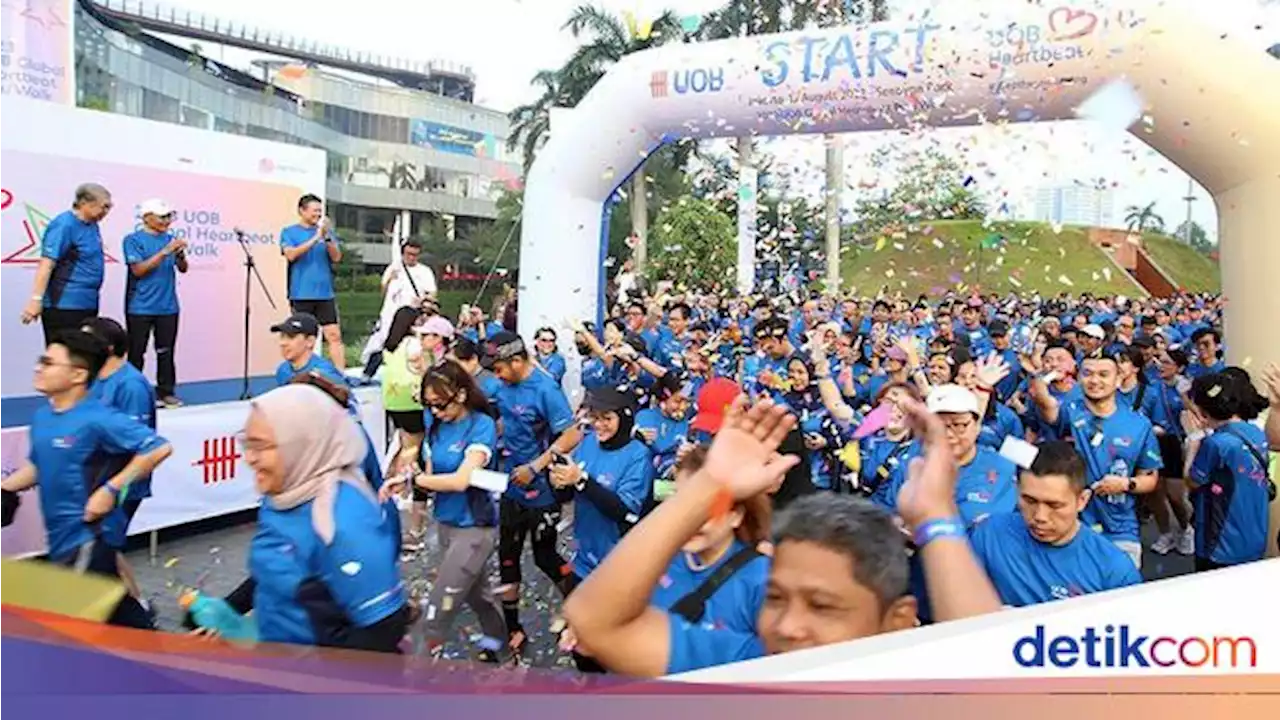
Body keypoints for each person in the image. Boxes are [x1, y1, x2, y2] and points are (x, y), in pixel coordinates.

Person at [563, 395, 1003, 677]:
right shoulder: (753, 666)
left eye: (823, 606)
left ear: (899, 622)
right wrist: (707, 486)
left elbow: (997, 672)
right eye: (774, 598)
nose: (788, 626)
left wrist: (937, 518)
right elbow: (595, 619)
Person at [0, 329, 171, 629]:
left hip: (88, 538)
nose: (38, 368)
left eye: (49, 363)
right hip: (61, 539)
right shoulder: (43, 417)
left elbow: (158, 447)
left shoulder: (98, 418)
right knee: (124, 615)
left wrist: (110, 489)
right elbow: (38, 467)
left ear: (78, 375)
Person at [240, 384, 409, 650]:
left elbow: (384, 630)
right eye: (247, 443)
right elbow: (283, 565)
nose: (249, 458)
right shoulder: (285, 494)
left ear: (302, 443)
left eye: (261, 446)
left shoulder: (343, 522)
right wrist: (228, 608)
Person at [379, 361, 507, 661]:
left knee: (438, 607)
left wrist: (418, 480)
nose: (434, 411)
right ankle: (503, 646)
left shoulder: (481, 425)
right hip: (446, 522)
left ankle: (412, 680)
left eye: (439, 405)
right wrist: (407, 479)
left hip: (475, 526)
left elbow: (462, 479)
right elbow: (432, 471)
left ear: (461, 395)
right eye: (429, 405)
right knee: (480, 596)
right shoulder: (435, 424)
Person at [483, 331, 583, 655]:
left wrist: (536, 467)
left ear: (516, 361)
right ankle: (513, 628)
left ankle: (580, 608)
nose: (495, 376)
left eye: (499, 368)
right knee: (507, 558)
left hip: (541, 491)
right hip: (511, 487)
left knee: (545, 557)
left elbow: (572, 434)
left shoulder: (545, 389)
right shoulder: (499, 385)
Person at [549, 387, 654, 672]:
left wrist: (581, 480)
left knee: (614, 645)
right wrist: (560, 484)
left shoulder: (637, 456)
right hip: (585, 558)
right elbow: (569, 496)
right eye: (595, 417)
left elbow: (624, 510)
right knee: (581, 644)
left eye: (607, 418)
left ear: (625, 418)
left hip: (618, 566)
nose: (599, 424)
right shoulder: (588, 444)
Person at [1029, 351, 1162, 568]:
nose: (1095, 381)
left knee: (1120, 596)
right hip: (1070, 527)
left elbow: (1150, 478)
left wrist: (1125, 484)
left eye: (1103, 374)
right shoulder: (1069, 412)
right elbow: (1043, 400)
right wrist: (1044, 374)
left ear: (1118, 379)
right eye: (1088, 374)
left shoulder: (1139, 424)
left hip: (1120, 529)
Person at [969, 441, 1142, 606]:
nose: (1040, 516)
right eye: (1029, 501)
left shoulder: (1114, 570)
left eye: (1054, 505)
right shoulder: (988, 535)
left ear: (1082, 500)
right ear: (1017, 490)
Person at [82, 317, 158, 612]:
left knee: (100, 551)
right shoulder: (93, 380)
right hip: (96, 480)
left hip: (120, 484)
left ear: (109, 347)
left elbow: (137, 444)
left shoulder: (131, 385)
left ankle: (131, 617)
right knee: (107, 551)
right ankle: (138, 606)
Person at [1182, 370, 1273, 572]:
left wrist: (1193, 443)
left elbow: (1192, 481)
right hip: (1254, 535)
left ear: (1202, 410)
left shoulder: (1215, 443)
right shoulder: (1256, 433)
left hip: (1220, 543)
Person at [20, 183, 112, 342]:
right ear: (84, 203)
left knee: (83, 356)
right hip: (64, 306)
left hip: (87, 304)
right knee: (64, 357)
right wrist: (35, 300)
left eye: (108, 207)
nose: (106, 212)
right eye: (103, 207)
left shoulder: (92, 225)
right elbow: (46, 264)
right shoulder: (64, 225)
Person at [122, 199, 188, 408]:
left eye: (169, 216)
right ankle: (131, 395)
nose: (166, 221)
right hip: (139, 306)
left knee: (166, 352)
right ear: (146, 217)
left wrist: (179, 256)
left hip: (168, 306)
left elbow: (183, 268)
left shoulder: (171, 239)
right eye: (162, 216)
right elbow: (138, 270)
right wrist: (165, 252)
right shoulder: (132, 240)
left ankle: (166, 393)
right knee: (136, 352)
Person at [280, 194, 345, 370]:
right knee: (300, 338)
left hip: (325, 293)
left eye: (320, 211)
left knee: (334, 335)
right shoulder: (289, 232)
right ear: (302, 210)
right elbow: (291, 254)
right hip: (301, 293)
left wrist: (327, 238)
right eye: (314, 210)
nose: (318, 214)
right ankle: (298, 373)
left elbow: (337, 257)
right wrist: (315, 238)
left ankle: (341, 376)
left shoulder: (326, 233)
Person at [363, 239, 437, 376]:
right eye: (408, 254)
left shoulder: (425, 271)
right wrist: (390, 278)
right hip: (391, 312)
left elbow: (432, 295)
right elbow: (384, 290)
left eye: (415, 255)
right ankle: (369, 373)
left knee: (403, 344)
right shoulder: (394, 268)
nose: (411, 257)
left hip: (411, 313)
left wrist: (423, 302)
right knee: (385, 342)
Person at [272, 312, 345, 387]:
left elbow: (345, 395)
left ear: (310, 341)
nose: (283, 343)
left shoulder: (324, 373)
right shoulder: (283, 370)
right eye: (282, 336)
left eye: (291, 337)